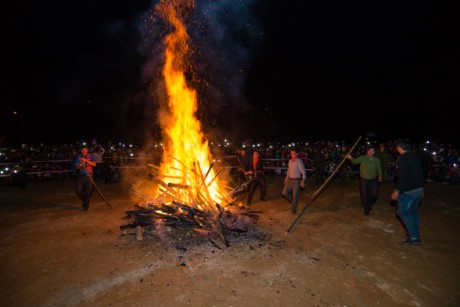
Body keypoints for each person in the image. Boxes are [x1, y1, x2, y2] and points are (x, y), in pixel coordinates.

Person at [391, 138, 424, 245]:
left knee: (402, 212)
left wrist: (396, 191)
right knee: (412, 213)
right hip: (419, 190)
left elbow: (403, 177)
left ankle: (414, 238)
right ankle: (413, 233)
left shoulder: (403, 159)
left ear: (400, 147)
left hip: (408, 192)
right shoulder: (415, 156)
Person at [346, 145, 383, 216]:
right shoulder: (362, 158)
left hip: (373, 180)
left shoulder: (377, 160)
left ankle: (368, 204)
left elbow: (379, 168)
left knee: (375, 194)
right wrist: (350, 157)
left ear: (374, 152)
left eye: (372, 151)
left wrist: (380, 175)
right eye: (369, 150)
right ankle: (366, 209)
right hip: (364, 180)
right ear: (367, 151)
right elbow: (355, 161)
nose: (370, 152)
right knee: (364, 195)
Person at [282, 148, 307, 214]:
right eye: (291, 153)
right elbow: (289, 170)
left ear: (297, 154)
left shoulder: (299, 161)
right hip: (290, 180)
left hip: (296, 181)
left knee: (295, 196)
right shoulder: (290, 161)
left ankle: (293, 210)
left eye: (293, 153)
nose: (292, 154)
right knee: (284, 192)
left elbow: (303, 172)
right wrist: (286, 178)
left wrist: (303, 181)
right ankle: (293, 202)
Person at [74, 146, 96, 211]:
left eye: (85, 149)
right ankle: (86, 201)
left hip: (89, 175)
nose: (84, 151)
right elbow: (76, 167)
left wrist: (86, 160)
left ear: (87, 150)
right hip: (81, 175)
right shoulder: (78, 157)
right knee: (78, 191)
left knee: (88, 191)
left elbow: (94, 164)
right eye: (83, 150)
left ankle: (85, 205)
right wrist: (80, 165)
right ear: (81, 150)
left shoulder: (91, 156)